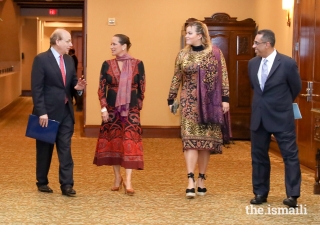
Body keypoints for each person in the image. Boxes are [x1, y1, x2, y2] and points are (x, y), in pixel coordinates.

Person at [167, 21, 230, 198]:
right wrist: (171, 98)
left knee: (205, 144)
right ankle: (190, 180)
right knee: (190, 142)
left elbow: (223, 76)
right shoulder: (182, 55)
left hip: (210, 104)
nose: (186, 36)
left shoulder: (215, 53)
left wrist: (225, 99)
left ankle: (201, 178)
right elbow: (176, 77)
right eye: (185, 33)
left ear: (200, 35)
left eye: (189, 33)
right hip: (188, 103)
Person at [248, 29, 302, 207]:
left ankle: (292, 195)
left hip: (281, 117)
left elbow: (295, 88)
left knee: (290, 156)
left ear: (267, 44)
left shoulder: (287, 63)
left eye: (257, 43)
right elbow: (255, 88)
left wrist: (281, 104)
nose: (253, 46)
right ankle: (260, 193)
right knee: (258, 157)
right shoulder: (252, 64)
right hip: (259, 117)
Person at [31, 28, 87, 197]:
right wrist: (41, 111)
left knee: (65, 149)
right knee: (44, 150)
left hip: (66, 112)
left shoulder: (70, 60)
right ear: (58, 42)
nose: (71, 44)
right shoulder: (41, 59)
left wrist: (77, 88)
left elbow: (71, 83)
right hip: (46, 113)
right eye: (68, 41)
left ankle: (67, 184)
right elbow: (37, 88)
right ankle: (42, 181)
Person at [93, 34, 146, 196]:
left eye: (114, 44)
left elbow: (142, 87)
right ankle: (117, 177)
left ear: (124, 46)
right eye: (111, 44)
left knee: (130, 142)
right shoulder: (107, 64)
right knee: (114, 143)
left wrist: (137, 107)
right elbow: (101, 88)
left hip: (131, 111)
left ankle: (128, 180)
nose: (111, 46)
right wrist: (103, 108)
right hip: (111, 110)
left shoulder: (138, 64)